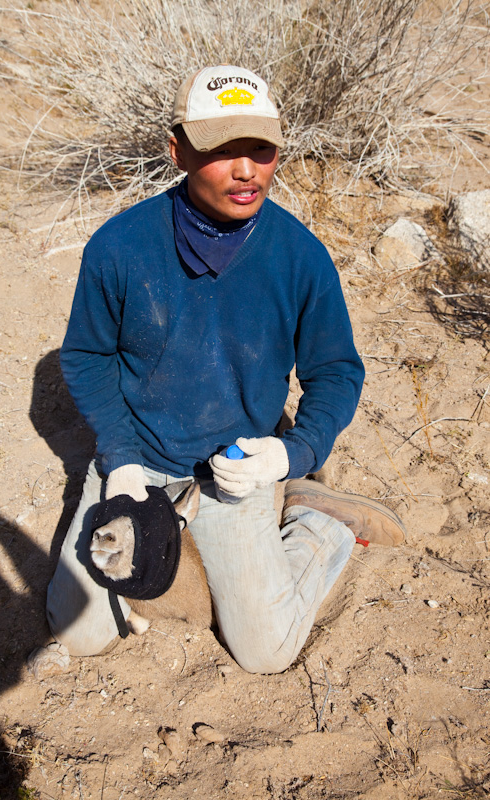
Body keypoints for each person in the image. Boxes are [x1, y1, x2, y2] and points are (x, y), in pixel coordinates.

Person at [45, 65, 405, 674]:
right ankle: (174, 532)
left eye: (260, 149)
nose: (246, 171)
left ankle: (317, 521)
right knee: (78, 632)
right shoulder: (120, 246)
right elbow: (86, 355)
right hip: (140, 458)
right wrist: (122, 460)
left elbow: (337, 370)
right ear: (178, 149)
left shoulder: (301, 258)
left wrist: (290, 454)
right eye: (221, 151)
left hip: (239, 467)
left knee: (265, 652)